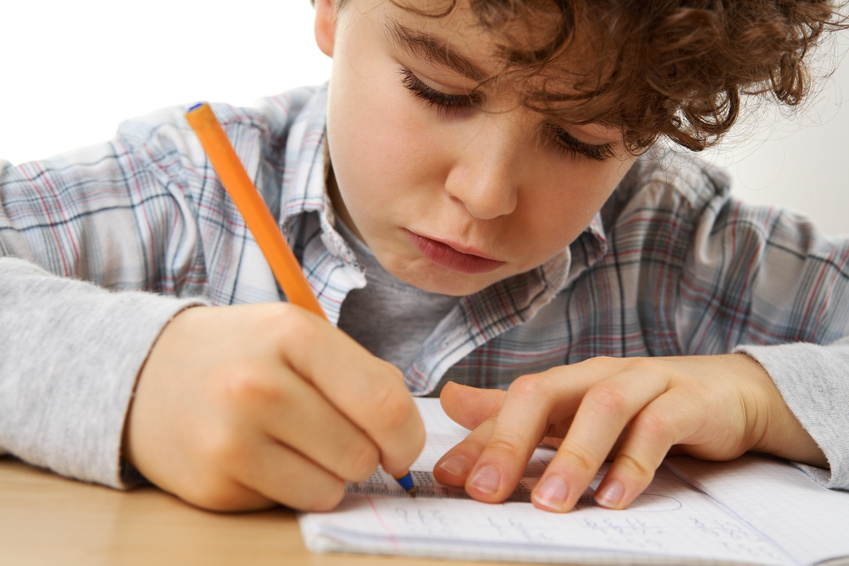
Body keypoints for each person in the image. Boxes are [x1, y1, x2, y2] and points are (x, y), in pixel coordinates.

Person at [0, 0, 847, 515]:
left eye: (581, 140)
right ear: (333, 10)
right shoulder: (178, 198)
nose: (485, 193)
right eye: (437, 90)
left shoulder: (677, 244)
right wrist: (137, 373)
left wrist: (760, 397)